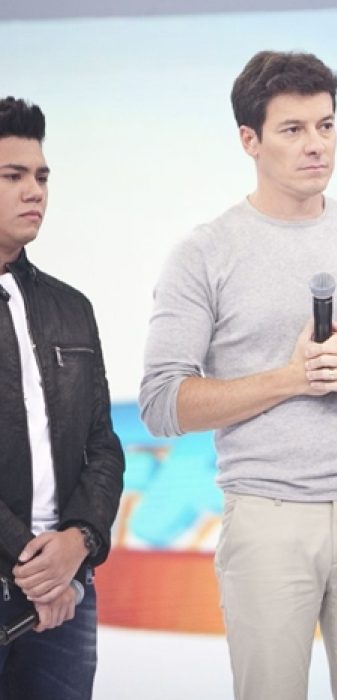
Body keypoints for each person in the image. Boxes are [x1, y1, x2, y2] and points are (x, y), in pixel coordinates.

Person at [139, 50, 337, 699]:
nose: (316, 145)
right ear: (249, 140)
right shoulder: (204, 252)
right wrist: (288, 378)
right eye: (293, 129)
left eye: (326, 125)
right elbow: (163, 403)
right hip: (267, 514)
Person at [0, 97, 124, 699]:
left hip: (68, 590)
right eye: (13, 176)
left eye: (42, 177)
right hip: (33, 574)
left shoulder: (71, 307)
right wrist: (31, 562)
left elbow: (103, 445)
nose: (35, 192)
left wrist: (79, 543)